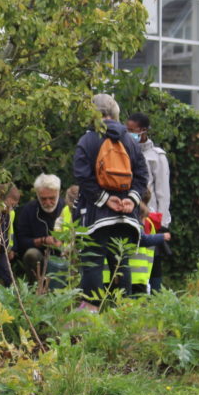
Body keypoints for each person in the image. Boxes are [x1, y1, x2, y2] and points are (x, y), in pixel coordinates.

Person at [73, 94, 149, 310]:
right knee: (121, 263)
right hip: (126, 216)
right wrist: (132, 200)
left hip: (95, 215)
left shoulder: (87, 140)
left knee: (93, 263)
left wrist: (105, 199)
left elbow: (82, 175)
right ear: (115, 113)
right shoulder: (130, 141)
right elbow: (142, 174)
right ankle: (122, 311)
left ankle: (91, 312)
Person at [125, 112, 171, 292]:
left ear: (143, 131)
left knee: (152, 257)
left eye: (132, 130)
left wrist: (164, 222)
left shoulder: (156, 156)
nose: (128, 133)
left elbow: (162, 192)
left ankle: (157, 295)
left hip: (151, 216)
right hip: (128, 211)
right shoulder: (124, 150)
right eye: (126, 129)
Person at [14, 174, 73, 290]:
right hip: (39, 257)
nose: (48, 202)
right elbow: (21, 241)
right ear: (37, 195)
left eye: (52, 198)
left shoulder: (67, 208)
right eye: (43, 198)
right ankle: (37, 289)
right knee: (31, 254)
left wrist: (62, 245)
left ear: (58, 192)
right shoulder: (29, 210)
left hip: (65, 254)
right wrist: (43, 241)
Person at [0, 185, 20, 287]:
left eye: (14, 206)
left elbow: (11, 231)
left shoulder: (10, 213)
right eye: (11, 204)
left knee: (7, 277)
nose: (11, 208)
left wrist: (11, 248)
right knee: (6, 277)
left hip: (3, 249)